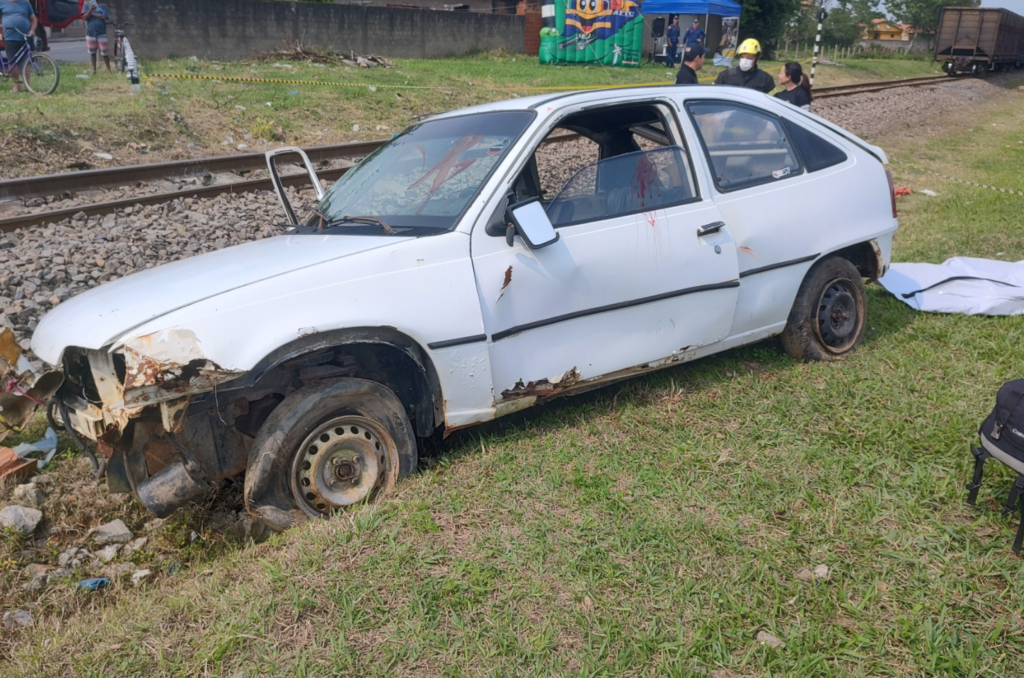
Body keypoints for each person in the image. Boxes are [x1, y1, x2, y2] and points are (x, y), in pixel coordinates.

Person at [0, 0, 37, 93]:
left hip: (26, 37)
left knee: (27, 61)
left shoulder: (26, 3)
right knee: (12, 62)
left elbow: (34, 19)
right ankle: (16, 85)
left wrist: (32, 30)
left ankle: (27, 85)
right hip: (10, 37)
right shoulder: (2, 3)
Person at [82, 0, 111, 74]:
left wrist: (92, 14)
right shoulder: (86, 6)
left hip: (101, 32)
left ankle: (108, 69)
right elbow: (85, 17)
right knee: (92, 53)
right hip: (90, 32)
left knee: (105, 52)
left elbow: (103, 17)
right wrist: (91, 9)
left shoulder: (103, 6)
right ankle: (93, 69)